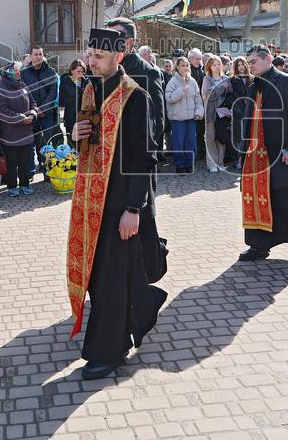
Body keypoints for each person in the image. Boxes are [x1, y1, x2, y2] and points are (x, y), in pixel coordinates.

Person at [68, 27, 166, 380]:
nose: (91, 62)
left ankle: (107, 352)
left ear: (118, 57)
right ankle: (142, 306)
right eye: (90, 55)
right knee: (100, 275)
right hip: (92, 201)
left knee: (110, 278)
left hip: (122, 201)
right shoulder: (89, 89)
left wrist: (133, 209)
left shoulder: (135, 97)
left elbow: (145, 157)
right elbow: (85, 141)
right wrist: (75, 134)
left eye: (99, 56)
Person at [239, 45, 288, 261]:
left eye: (253, 62)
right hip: (258, 155)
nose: (250, 66)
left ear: (268, 59)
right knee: (261, 198)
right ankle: (259, 245)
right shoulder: (252, 87)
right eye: (249, 63)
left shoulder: (286, 81)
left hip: (284, 152)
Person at [107, 17, 166, 156]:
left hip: (134, 160)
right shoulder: (106, 70)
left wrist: (138, 153)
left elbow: (157, 122)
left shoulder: (148, 73)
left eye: (116, 37)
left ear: (130, 42)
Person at [0, 63, 38, 197]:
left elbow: (33, 102)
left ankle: (25, 184)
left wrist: (32, 114)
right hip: (10, 133)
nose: (18, 73)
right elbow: (3, 111)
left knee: (25, 161)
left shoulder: (23, 85)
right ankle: (12, 186)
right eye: (15, 71)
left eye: (19, 71)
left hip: (26, 131)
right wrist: (20, 119)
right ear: (8, 72)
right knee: (12, 163)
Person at [20, 45, 60, 166]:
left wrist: (43, 109)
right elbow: (23, 93)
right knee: (32, 143)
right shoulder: (24, 73)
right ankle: (31, 171)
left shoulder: (51, 72)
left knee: (48, 144)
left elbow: (53, 93)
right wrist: (34, 110)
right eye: (35, 54)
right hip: (31, 115)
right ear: (31, 56)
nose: (38, 57)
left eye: (40, 54)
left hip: (47, 114)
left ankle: (48, 171)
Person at [165, 56, 204, 174]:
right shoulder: (173, 81)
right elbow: (169, 98)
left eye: (187, 65)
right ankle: (180, 165)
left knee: (191, 142)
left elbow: (198, 98)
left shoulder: (192, 81)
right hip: (178, 118)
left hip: (191, 118)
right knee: (179, 142)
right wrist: (181, 91)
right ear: (177, 67)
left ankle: (189, 163)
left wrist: (199, 112)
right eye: (182, 65)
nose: (185, 68)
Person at [201, 54, 231, 173]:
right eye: (214, 65)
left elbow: (230, 93)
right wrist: (221, 88)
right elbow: (209, 95)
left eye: (219, 64)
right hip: (211, 113)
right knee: (210, 139)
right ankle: (212, 164)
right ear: (209, 67)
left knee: (221, 139)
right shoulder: (206, 79)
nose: (217, 67)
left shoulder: (226, 79)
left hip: (223, 114)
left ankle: (220, 163)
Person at [228, 57, 252, 172]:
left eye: (243, 64)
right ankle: (238, 160)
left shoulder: (251, 79)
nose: (241, 67)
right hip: (238, 111)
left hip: (250, 111)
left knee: (249, 135)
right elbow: (232, 96)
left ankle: (248, 159)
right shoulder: (232, 80)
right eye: (238, 65)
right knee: (239, 136)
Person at [59, 59, 87, 142]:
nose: (81, 74)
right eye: (78, 71)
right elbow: (61, 102)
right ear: (72, 71)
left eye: (83, 72)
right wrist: (76, 95)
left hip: (84, 117)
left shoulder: (86, 82)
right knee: (71, 144)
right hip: (70, 117)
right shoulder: (65, 82)